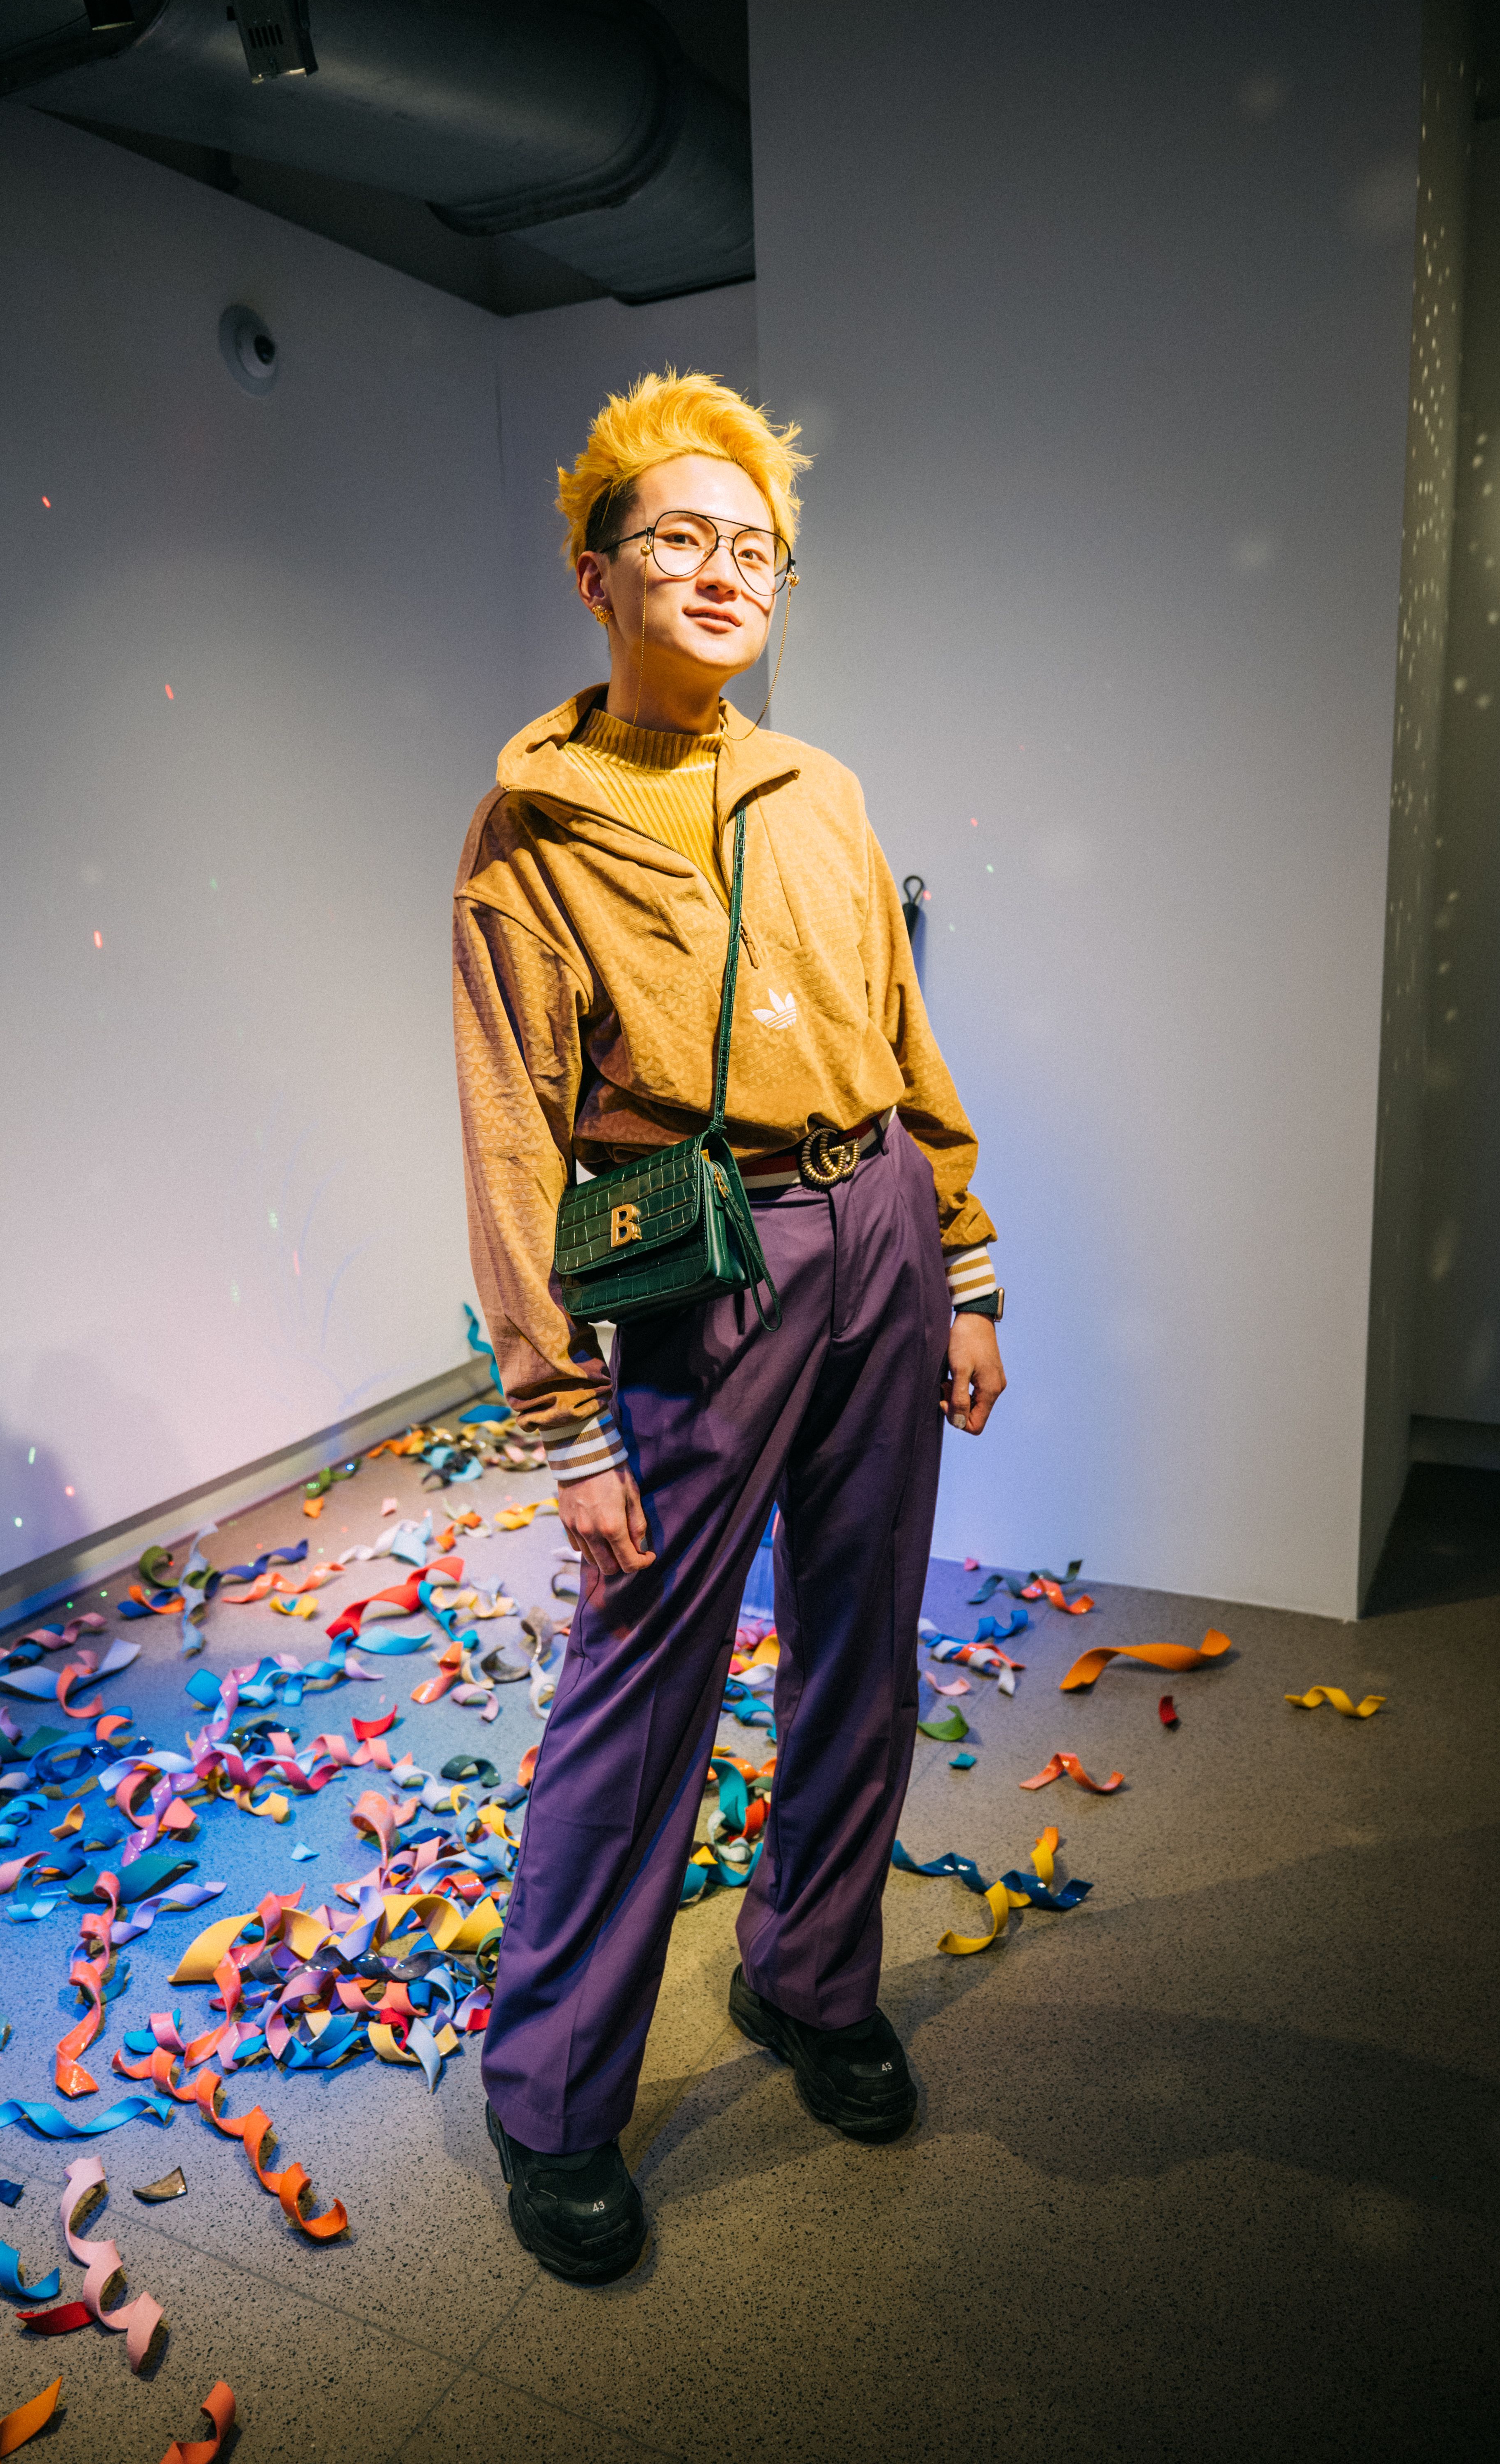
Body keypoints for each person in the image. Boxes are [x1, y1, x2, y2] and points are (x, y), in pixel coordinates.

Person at [452, 371, 1005, 2285]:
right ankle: (552, 2097)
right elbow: (517, 1135)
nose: (721, 570)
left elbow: (904, 1040)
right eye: (677, 537)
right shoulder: (535, 818)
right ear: (595, 571)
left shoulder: (822, 789)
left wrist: (964, 1255)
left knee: (861, 1647)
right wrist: (567, 1420)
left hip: (873, 1233)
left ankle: (806, 1973)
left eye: (750, 545)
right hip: (698, 1273)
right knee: (642, 1686)